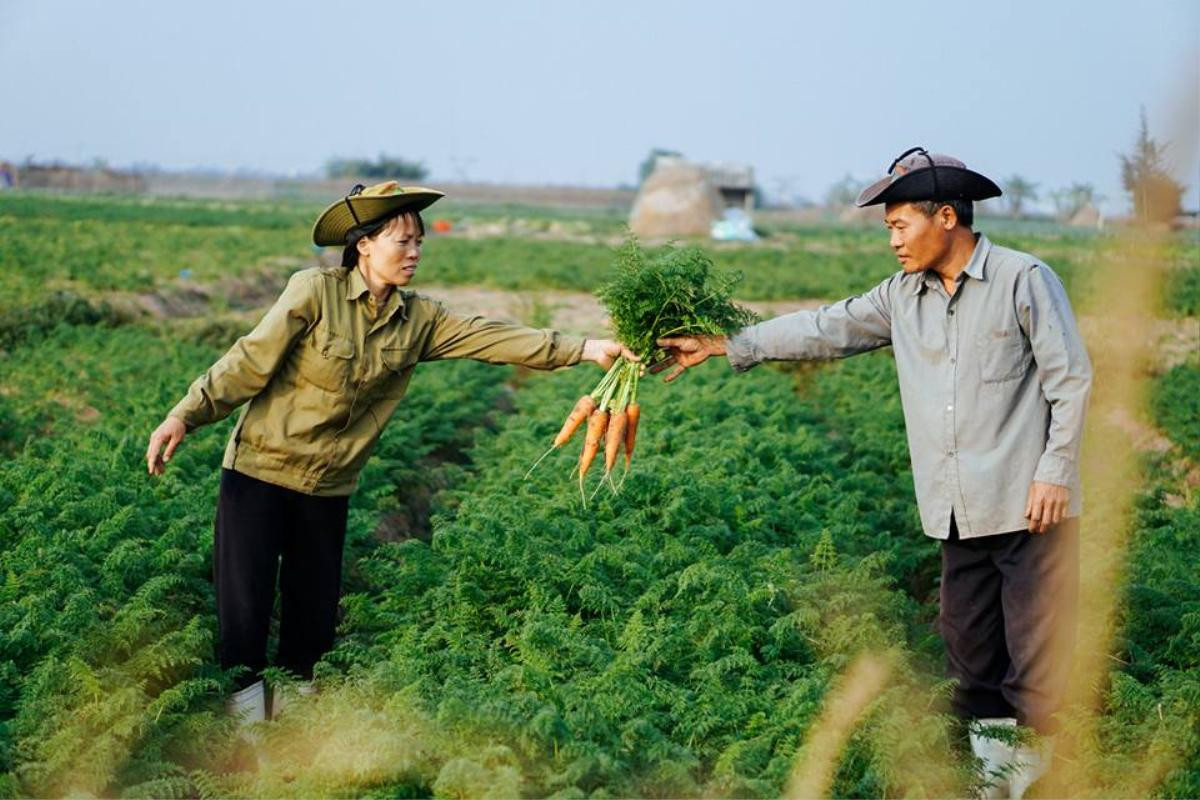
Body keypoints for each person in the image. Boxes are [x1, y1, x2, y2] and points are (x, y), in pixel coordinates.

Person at [652, 148, 1092, 799]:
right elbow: (825, 328)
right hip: (955, 508)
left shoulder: (1023, 280)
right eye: (889, 229)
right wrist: (723, 344)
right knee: (970, 658)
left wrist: (1054, 472)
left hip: (1030, 505)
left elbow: (1071, 379)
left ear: (946, 217)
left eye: (899, 226)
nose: (893, 241)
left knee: (1037, 657)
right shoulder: (900, 298)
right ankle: (995, 780)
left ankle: (1041, 782)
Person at [145, 181, 635, 725]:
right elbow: (248, 362)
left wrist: (588, 348)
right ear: (365, 246)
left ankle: (293, 740)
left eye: (419, 242)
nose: (415, 252)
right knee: (245, 617)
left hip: (326, 489)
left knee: (312, 625)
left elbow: (493, 338)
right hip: (259, 475)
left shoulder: (420, 320)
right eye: (402, 241)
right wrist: (184, 414)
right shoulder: (313, 292)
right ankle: (243, 741)